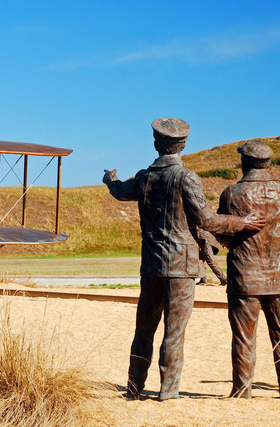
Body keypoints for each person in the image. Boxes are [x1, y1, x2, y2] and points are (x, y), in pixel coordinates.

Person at [103, 117, 266, 401]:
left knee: (144, 330)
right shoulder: (186, 177)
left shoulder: (144, 177)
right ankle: (168, 392)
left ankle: (134, 388)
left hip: (152, 264)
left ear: (156, 144)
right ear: (183, 145)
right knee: (173, 332)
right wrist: (242, 222)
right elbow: (206, 219)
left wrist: (110, 179)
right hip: (181, 266)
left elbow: (119, 192)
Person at [217, 140, 280, 400]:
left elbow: (222, 232)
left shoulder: (232, 194)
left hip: (245, 276)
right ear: (269, 163)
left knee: (243, 337)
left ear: (244, 162)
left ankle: (242, 391)